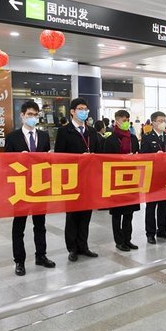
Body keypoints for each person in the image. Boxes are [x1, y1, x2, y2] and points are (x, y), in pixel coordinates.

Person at [5, 101, 56, 276]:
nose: (33, 118)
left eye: (35, 115)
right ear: (22, 116)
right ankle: (19, 261)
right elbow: (6, 164)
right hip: (20, 188)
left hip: (39, 186)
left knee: (40, 224)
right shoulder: (12, 137)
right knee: (18, 226)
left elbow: (47, 161)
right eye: (29, 115)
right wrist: (20, 159)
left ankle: (41, 255)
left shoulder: (43, 136)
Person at [55, 98, 101, 261]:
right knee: (73, 215)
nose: (84, 111)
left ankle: (84, 245)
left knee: (86, 214)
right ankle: (72, 248)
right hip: (72, 179)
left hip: (89, 179)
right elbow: (59, 157)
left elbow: (99, 153)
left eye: (86, 109)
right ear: (72, 112)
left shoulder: (92, 131)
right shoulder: (64, 131)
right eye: (80, 109)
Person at [103, 110, 141, 252]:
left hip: (131, 178)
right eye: (123, 120)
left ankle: (127, 239)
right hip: (116, 180)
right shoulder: (110, 139)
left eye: (127, 119)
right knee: (117, 213)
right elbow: (106, 160)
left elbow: (139, 154)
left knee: (129, 213)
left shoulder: (132, 138)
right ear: (117, 121)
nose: (126, 122)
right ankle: (119, 241)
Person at [141, 111, 166, 244]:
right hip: (152, 176)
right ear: (153, 122)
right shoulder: (147, 137)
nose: (163, 123)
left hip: (165, 175)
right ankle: (150, 233)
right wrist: (155, 155)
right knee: (151, 206)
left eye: (164, 120)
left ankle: (162, 230)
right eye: (160, 120)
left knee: (163, 205)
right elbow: (143, 155)